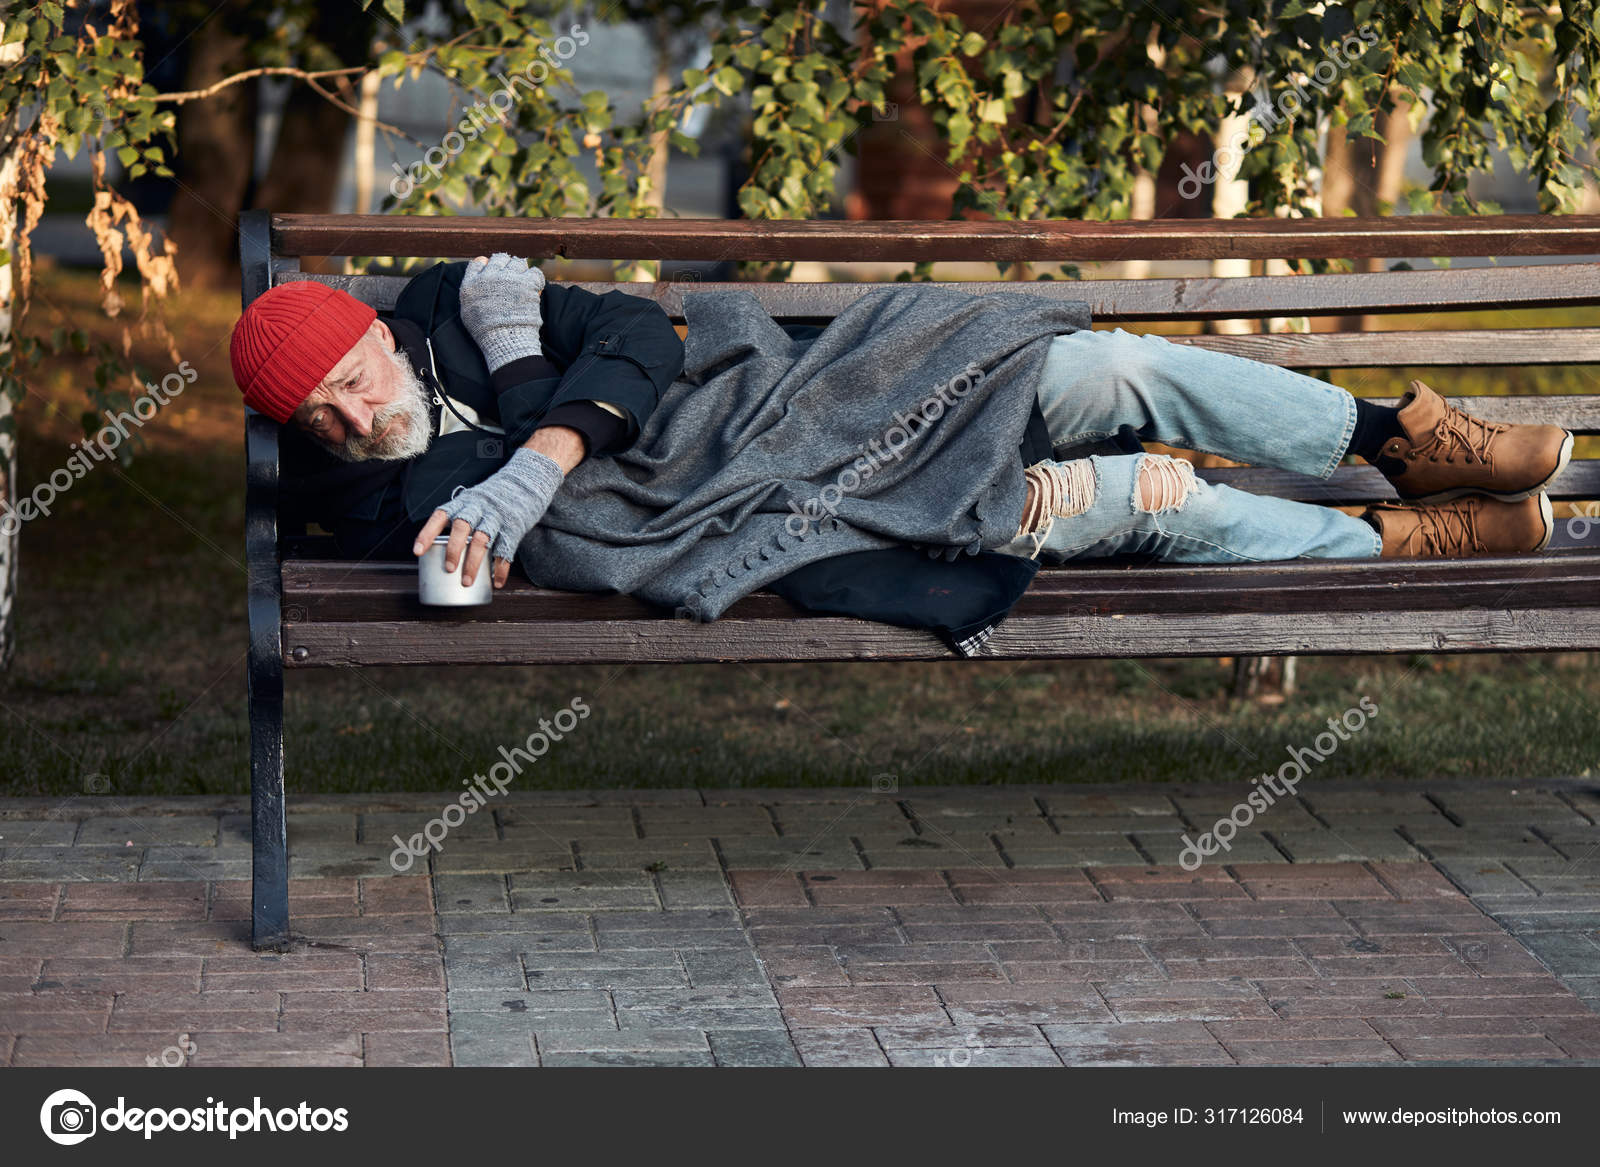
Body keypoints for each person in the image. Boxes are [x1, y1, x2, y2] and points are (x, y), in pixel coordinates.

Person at [229, 253, 1569, 640]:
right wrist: (541, 450)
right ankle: (1388, 537)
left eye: (354, 379)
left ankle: (1400, 437)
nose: (353, 417)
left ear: (383, 337)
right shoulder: (336, 484)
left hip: (814, 406)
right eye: (323, 418)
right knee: (1145, 498)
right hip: (804, 518)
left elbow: (641, 336)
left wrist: (533, 415)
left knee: (1115, 365)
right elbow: (435, 493)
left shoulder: (459, 311)